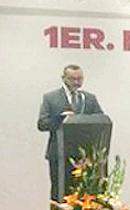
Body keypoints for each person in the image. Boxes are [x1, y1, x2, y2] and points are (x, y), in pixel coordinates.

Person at [37, 64, 104, 200]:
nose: (76, 82)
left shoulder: (89, 98)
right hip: (60, 153)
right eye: (72, 79)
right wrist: (60, 119)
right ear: (64, 78)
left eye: (80, 79)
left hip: (84, 155)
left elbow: (101, 120)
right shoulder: (51, 98)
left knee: (85, 193)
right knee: (59, 192)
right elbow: (42, 124)